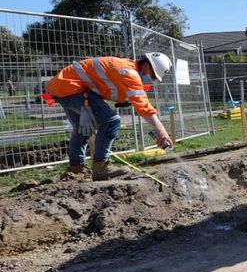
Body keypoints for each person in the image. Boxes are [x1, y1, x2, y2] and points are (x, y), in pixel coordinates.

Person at [46, 52, 175, 180]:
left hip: (61, 87)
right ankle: (101, 167)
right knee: (111, 121)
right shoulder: (129, 72)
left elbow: (107, 86)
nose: (152, 80)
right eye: (153, 76)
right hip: (73, 87)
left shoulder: (125, 67)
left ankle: (75, 169)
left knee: (82, 129)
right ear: (146, 67)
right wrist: (162, 132)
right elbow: (144, 106)